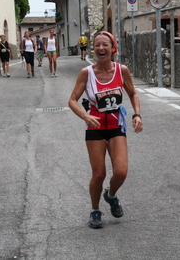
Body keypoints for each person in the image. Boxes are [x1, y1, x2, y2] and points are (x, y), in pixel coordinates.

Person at [68, 31, 143, 229]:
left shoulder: (121, 70)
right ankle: (95, 210)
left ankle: (110, 195)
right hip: (95, 128)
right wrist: (85, 116)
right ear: (93, 48)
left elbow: (133, 93)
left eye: (105, 45)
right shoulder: (87, 73)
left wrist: (137, 114)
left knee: (121, 172)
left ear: (112, 48)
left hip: (116, 126)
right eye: (97, 45)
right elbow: (72, 100)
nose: (101, 48)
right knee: (99, 173)